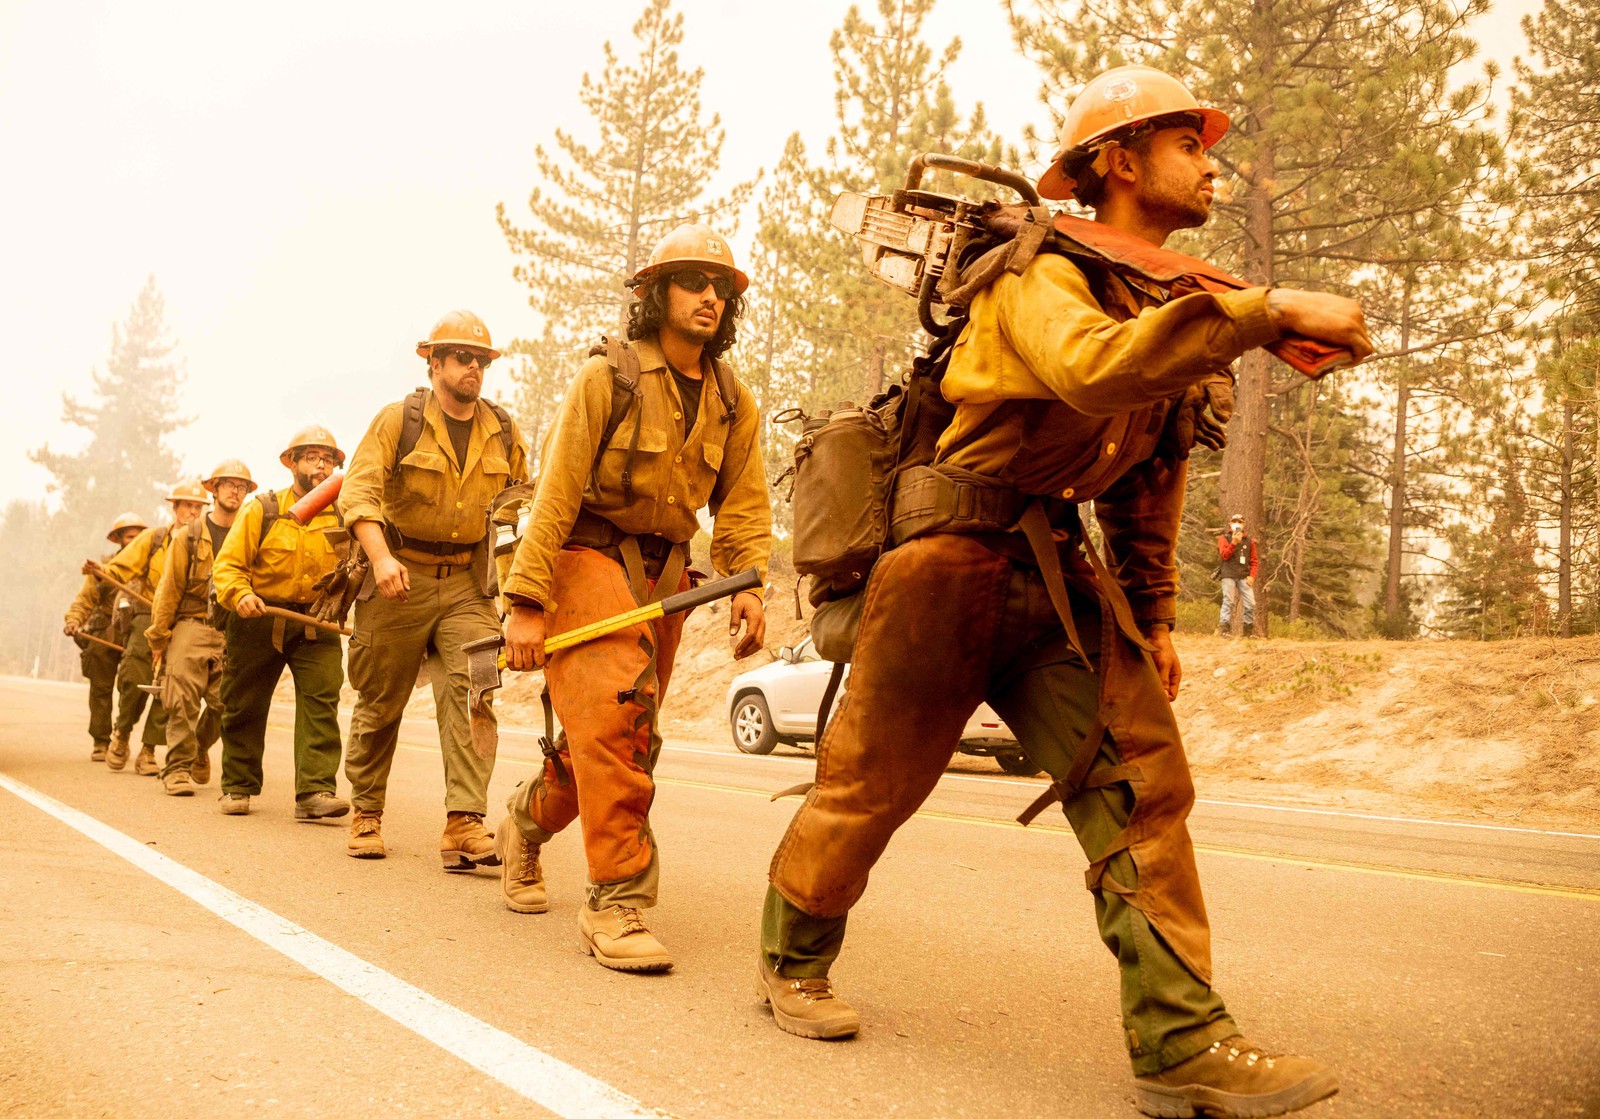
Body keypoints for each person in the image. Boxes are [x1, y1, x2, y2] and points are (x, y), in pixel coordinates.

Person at [754, 65, 1372, 1119]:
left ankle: (1181, 1043)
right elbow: (1092, 370)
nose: (1211, 161)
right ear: (1119, 163)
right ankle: (788, 958)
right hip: (943, 558)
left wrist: (1159, 613)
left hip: (1056, 574)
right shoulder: (1036, 273)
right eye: (1188, 144)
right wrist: (1259, 312)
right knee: (870, 789)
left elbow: (1148, 485)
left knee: (1141, 784)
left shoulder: (1175, 302)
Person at [499, 224, 772, 973]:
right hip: (585, 557)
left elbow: (743, 503)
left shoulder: (731, 399)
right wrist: (526, 599)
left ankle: (525, 819)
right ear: (657, 295)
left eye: (721, 287)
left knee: (627, 739)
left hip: (669, 581)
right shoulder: (608, 378)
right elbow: (554, 493)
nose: (710, 296)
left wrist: (748, 581)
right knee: (616, 728)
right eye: (692, 281)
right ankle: (615, 899)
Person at [340, 311, 529, 865]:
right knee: (380, 701)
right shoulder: (398, 420)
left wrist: (519, 591)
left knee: (474, 694)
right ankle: (367, 812)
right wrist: (380, 558)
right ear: (435, 362)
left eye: (482, 361)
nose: (474, 368)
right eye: (463, 358)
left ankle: (464, 822)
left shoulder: (504, 430)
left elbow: (520, 511)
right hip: (399, 577)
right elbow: (360, 493)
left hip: (469, 586)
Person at [211, 428, 351, 819]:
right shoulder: (263, 509)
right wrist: (241, 595)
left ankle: (315, 791)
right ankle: (237, 785)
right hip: (258, 616)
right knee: (244, 704)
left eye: (327, 458)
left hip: (317, 622)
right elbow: (228, 566)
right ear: (291, 463)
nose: (320, 465)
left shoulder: (347, 513)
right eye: (310, 457)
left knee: (322, 703)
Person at [145, 460, 253, 795]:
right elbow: (169, 589)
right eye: (228, 484)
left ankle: (198, 747)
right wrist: (159, 638)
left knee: (227, 702)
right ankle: (176, 769)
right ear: (214, 488)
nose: (235, 491)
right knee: (182, 701)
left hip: (231, 627)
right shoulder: (188, 536)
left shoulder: (250, 532)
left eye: (242, 486)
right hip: (192, 624)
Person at [101, 481, 209, 774]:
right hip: (148, 615)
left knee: (169, 689)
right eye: (187, 505)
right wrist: (103, 573)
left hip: (185, 621)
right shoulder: (155, 539)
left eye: (198, 506)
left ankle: (148, 750)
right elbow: (122, 565)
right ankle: (121, 734)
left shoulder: (206, 541)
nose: (193, 511)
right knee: (134, 680)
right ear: (175, 508)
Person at [63, 513, 146, 761]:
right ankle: (101, 741)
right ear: (119, 539)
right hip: (104, 634)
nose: (135, 541)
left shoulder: (150, 567)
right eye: (130, 537)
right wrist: (73, 620)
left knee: (136, 687)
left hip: (137, 634)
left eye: (139, 537)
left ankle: (122, 734)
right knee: (100, 689)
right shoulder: (103, 570)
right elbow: (84, 599)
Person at [1216, 512, 1257, 635]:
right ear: (1230, 523)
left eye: (1239, 522)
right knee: (1228, 601)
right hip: (1228, 574)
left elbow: (1254, 561)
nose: (1237, 524)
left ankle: (1248, 631)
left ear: (1244, 524)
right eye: (1234, 521)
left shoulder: (1250, 541)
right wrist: (1233, 543)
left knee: (1250, 603)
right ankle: (1224, 629)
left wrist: (1252, 576)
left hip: (1244, 575)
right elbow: (1224, 555)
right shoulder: (1224, 538)